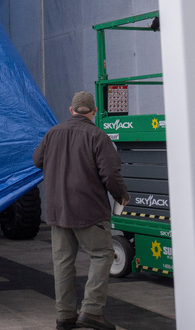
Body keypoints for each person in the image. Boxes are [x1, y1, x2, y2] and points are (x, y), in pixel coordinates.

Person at [33, 92, 129, 330]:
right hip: (89, 211)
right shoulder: (98, 136)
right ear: (94, 112)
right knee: (102, 255)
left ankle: (65, 316)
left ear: (71, 110)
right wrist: (121, 195)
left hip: (58, 210)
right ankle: (91, 311)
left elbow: (37, 160)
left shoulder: (52, 133)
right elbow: (110, 173)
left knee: (63, 263)